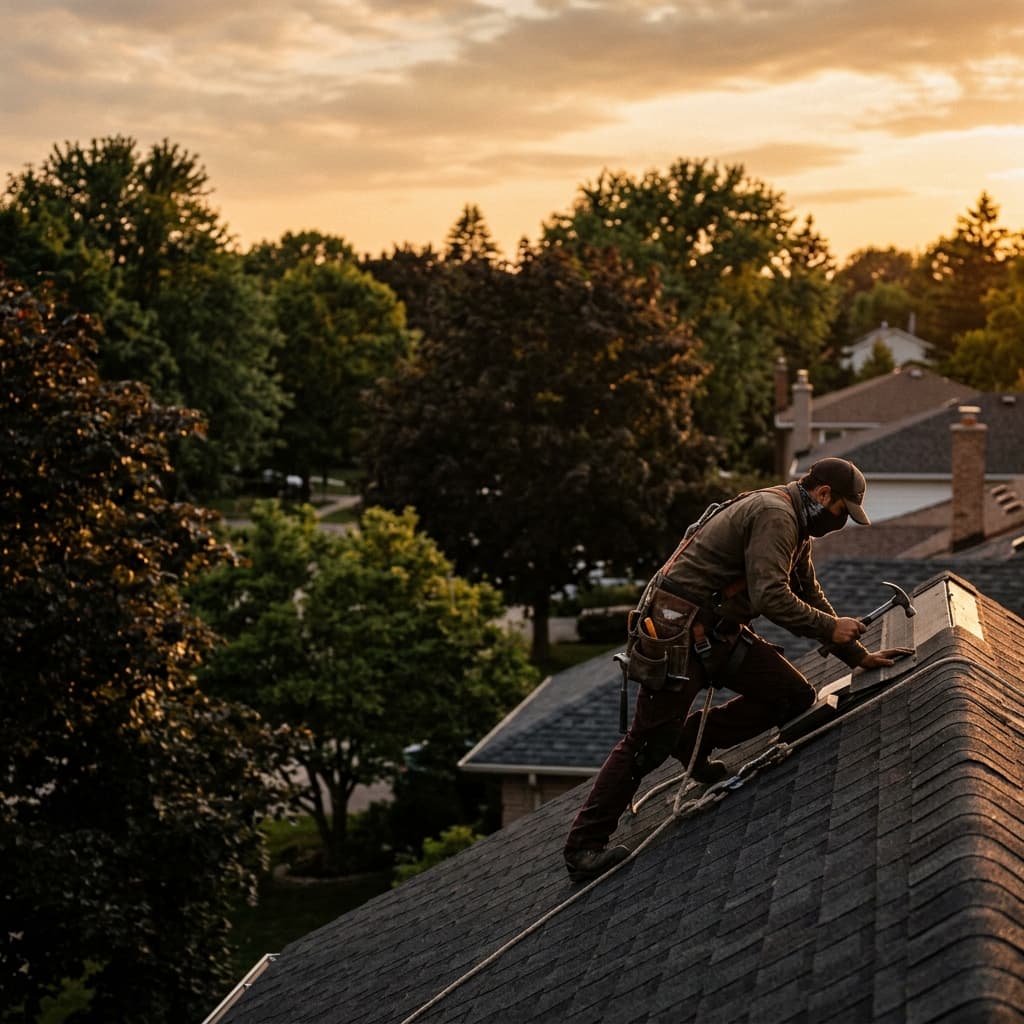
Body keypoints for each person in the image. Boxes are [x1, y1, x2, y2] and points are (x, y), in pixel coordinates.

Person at [563, 457, 912, 882]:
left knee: (793, 696)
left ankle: (693, 739)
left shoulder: (796, 521)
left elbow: (807, 591)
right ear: (824, 494)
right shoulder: (775, 514)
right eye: (843, 511)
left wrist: (857, 656)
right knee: (648, 742)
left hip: (719, 631)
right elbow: (770, 597)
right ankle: (584, 846)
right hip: (678, 633)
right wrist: (830, 628)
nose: (841, 521)